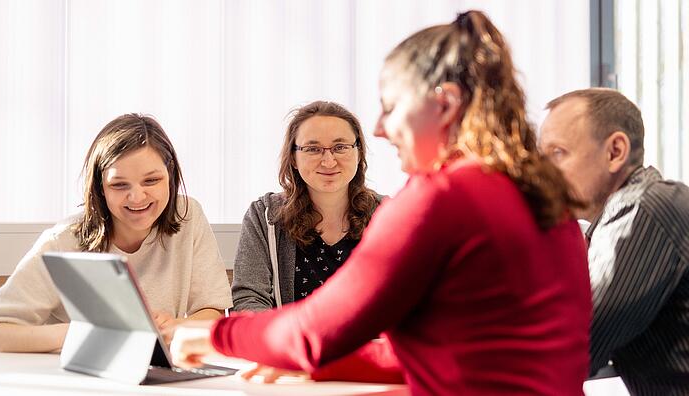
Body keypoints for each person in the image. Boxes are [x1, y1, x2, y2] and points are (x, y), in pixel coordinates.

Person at [170, 10, 592, 395]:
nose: (380, 128)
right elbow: (445, 352)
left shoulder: (440, 198)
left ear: (443, 105)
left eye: (391, 108)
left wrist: (214, 336)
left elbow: (313, 334)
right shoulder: (543, 195)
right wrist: (320, 369)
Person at [0, 114, 232, 353]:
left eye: (151, 181)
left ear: (170, 177)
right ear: (100, 188)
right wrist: (79, 334)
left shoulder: (188, 215)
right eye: (119, 185)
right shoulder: (64, 240)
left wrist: (173, 327)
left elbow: (212, 313)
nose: (137, 197)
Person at [539, 87, 689, 394]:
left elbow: (577, 341)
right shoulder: (612, 223)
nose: (543, 173)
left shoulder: (647, 207)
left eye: (558, 153)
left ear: (615, 152)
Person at [232, 101, 381, 311]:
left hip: (371, 342)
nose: (329, 161)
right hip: (291, 343)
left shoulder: (388, 214)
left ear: (359, 152)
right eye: (313, 149)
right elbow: (249, 299)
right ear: (293, 157)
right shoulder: (264, 216)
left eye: (340, 147)